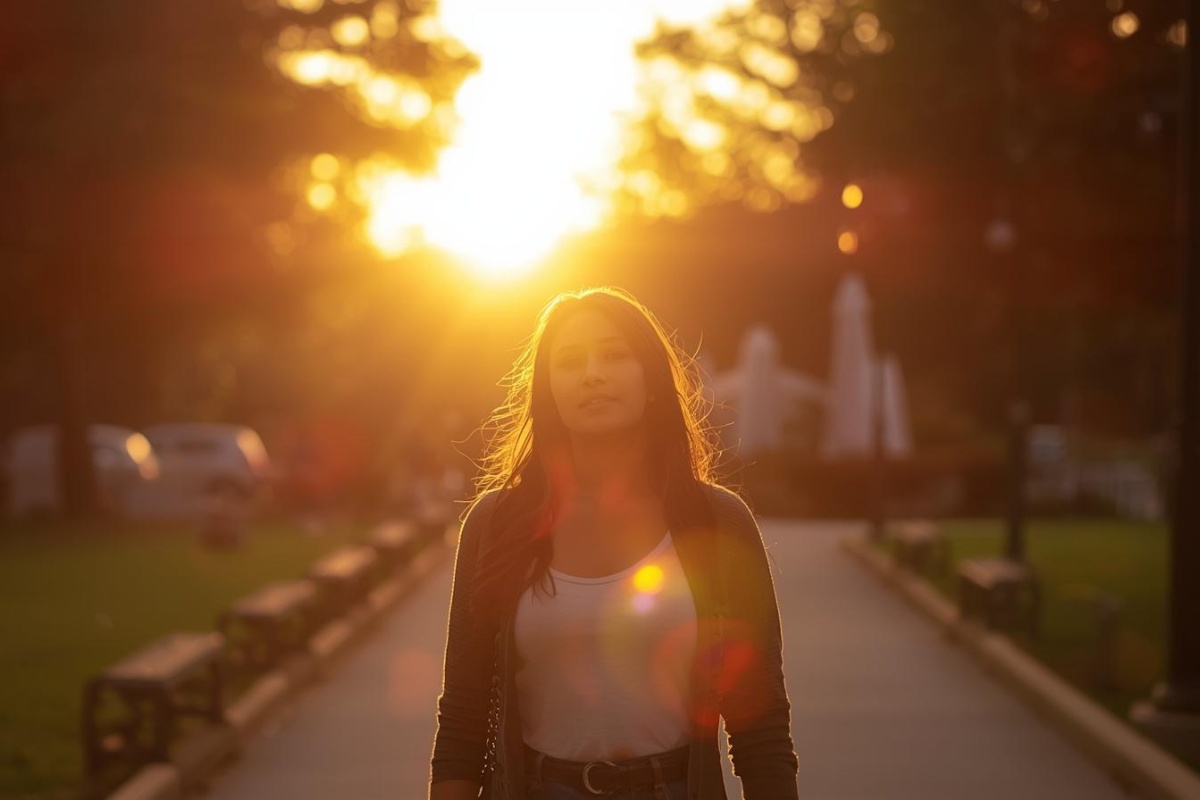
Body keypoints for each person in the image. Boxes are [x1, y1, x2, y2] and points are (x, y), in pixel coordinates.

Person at [429, 287, 797, 800]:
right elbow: (464, 721)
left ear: (650, 379)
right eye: (570, 362)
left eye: (614, 354)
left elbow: (760, 727)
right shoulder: (496, 524)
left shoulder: (717, 522)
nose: (592, 374)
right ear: (549, 390)